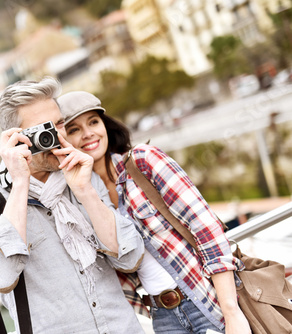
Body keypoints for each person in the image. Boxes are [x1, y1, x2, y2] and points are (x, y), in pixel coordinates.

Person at [0, 78, 146, 333]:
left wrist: (85, 191)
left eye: (59, 123)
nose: (56, 137)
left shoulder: (82, 175)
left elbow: (130, 258)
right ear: (15, 139)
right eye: (43, 130)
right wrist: (20, 182)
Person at [58, 91, 251, 334]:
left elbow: (206, 228)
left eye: (93, 122)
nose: (88, 134)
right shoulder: (81, 198)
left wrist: (231, 311)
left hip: (207, 300)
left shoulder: (143, 161)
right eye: (74, 129)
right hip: (162, 317)